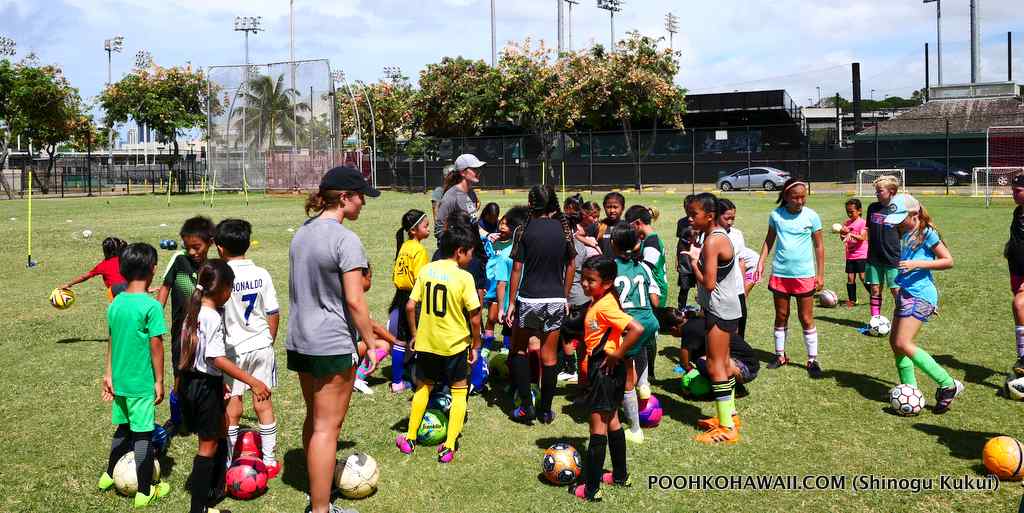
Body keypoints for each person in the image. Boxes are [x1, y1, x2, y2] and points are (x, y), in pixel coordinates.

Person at [286, 165, 380, 513]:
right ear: (344, 198)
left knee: (314, 418)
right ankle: (321, 509)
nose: (363, 205)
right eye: (360, 198)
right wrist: (371, 342)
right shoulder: (346, 240)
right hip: (331, 343)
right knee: (328, 427)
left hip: (300, 339)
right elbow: (356, 299)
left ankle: (317, 493)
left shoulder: (302, 232)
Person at [178, 260, 271, 513]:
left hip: (193, 382)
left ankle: (215, 489)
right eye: (230, 289)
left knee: (218, 434)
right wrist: (252, 380)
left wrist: (220, 384)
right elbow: (216, 358)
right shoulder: (212, 317)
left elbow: (194, 356)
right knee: (207, 448)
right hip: (204, 386)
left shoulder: (193, 311)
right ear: (224, 288)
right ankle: (199, 509)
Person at [396, 224, 482, 463]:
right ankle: (449, 445)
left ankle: (411, 437)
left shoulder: (427, 270)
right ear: (459, 251)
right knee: (458, 391)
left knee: (423, 388)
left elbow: (411, 305)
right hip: (454, 345)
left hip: (427, 343)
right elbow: (475, 316)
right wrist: (475, 345)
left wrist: (414, 334)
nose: (472, 257)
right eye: (471, 252)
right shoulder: (465, 277)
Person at [97, 243, 170, 508]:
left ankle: (107, 475)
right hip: (140, 382)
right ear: (153, 269)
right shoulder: (151, 306)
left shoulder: (116, 303)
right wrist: (159, 380)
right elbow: (156, 344)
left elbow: (111, 339)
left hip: (119, 380)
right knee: (143, 435)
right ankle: (145, 490)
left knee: (124, 428)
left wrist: (108, 374)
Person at [570, 255, 644, 502]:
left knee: (597, 428)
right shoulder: (601, 300)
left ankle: (591, 489)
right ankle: (621, 476)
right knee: (612, 420)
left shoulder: (606, 306)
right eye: (584, 279)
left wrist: (616, 356)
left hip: (605, 370)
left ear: (608, 282)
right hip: (606, 371)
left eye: (592, 280)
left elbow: (637, 329)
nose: (585, 284)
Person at [214, 219, 281, 477]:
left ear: (220, 248)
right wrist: (269, 339)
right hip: (262, 345)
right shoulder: (261, 273)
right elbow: (273, 311)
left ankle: (229, 461)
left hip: (232, 351)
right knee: (263, 402)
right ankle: (270, 460)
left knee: (233, 404)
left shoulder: (220, 275)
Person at [884, 193, 963, 412]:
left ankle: (947, 385)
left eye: (901, 218)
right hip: (906, 292)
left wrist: (916, 264)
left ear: (914, 214)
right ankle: (910, 390)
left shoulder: (926, 232)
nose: (897, 223)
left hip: (921, 294)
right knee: (896, 344)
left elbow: (948, 261)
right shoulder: (904, 230)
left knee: (903, 343)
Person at [506, 184, 576, 424]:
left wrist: (512, 302)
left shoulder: (523, 230)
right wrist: (565, 297)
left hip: (529, 298)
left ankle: (526, 406)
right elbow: (571, 266)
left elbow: (517, 268)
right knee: (549, 357)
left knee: (518, 350)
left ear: (530, 202)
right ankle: (546, 410)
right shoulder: (565, 230)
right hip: (555, 299)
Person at [685, 193, 745, 444]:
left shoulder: (712, 242)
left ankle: (727, 429)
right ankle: (728, 415)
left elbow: (708, 283)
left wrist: (693, 262)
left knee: (715, 365)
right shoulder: (715, 236)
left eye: (694, 214)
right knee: (721, 362)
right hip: (724, 307)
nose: (690, 218)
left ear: (709, 216)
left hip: (721, 308)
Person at [755, 178, 826, 379]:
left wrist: (820, 274)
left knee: (806, 318)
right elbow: (769, 240)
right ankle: (780, 355)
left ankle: (812, 359)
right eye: (795, 197)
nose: (800, 201)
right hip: (780, 274)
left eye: (803, 197)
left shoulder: (812, 216)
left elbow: (819, 246)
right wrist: (761, 261)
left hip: (804, 275)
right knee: (781, 315)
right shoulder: (776, 215)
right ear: (786, 196)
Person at [157, 216, 215, 434]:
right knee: (180, 372)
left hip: (206, 334)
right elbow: (164, 289)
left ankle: (202, 417)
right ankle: (177, 419)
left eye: (197, 247)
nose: (192, 252)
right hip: (180, 332)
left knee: (205, 374)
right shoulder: (178, 260)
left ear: (209, 242)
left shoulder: (213, 267)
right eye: (188, 247)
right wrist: (154, 319)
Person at [610, 222, 661, 444]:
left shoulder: (610, 268)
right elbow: (653, 296)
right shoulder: (644, 266)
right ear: (637, 243)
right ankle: (645, 387)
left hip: (631, 324)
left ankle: (635, 429)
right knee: (640, 352)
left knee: (625, 379)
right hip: (650, 321)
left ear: (613, 244)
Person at [657, 307, 759, 403]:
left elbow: (684, 363)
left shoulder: (689, 331)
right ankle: (728, 385)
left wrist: (693, 374)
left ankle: (730, 389)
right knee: (704, 360)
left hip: (746, 369)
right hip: (750, 364)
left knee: (703, 362)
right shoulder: (694, 320)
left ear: (673, 328)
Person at [389, 209, 431, 393]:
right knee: (418, 338)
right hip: (415, 297)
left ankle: (397, 381)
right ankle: (419, 379)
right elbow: (421, 278)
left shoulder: (404, 246)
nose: (428, 229)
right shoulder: (419, 250)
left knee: (400, 340)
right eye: (425, 226)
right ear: (414, 230)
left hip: (400, 295)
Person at [626, 204, 668, 384]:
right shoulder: (648, 240)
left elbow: (647, 269)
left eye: (630, 227)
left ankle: (648, 373)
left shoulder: (651, 242)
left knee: (648, 333)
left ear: (637, 223)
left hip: (654, 293)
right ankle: (644, 373)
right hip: (652, 291)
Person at [717, 198, 758, 338]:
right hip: (720, 290)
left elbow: (741, 261)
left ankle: (738, 357)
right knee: (722, 326)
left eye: (733, 218)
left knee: (741, 324)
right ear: (717, 215)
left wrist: (742, 288)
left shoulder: (737, 234)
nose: (730, 222)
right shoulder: (709, 235)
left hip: (737, 288)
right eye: (727, 218)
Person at [866, 175, 902, 322]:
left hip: (893, 257)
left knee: (896, 290)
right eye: (876, 191)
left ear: (891, 191)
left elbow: (903, 232)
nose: (877, 194)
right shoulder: (872, 208)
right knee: (875, 290)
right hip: (874, 257)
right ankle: (875, 320)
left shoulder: (899, 209)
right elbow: (867, 230)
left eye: (880, 191)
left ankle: (901, 320)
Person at [434, 154, 485, 239]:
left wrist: (488, 235)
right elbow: (439, 230)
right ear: (462, 172)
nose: (478, 171)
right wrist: (458, 243)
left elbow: (473, 223)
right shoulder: (451, 197)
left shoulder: (472, 193)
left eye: (479, 168)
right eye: (474, 169)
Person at [61, 236, 128, 301]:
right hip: (129, 287)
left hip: (115, 290)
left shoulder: (103, 265)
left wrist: (69, 284)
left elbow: (84, 277)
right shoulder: (124, 258)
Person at [1007, 175, 1024, 373]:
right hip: (1017, 271)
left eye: (1017, 191)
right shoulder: (1018, 212)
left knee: (1019, 305)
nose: (1013, 195)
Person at [840, 198, 869, 307]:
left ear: (859, 211)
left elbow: (862, 237)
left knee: (862, 277)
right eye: (847, 211)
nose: (849, 214)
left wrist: (850, 234)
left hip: (861, 254)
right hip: (850, 255)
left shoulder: (863, 223)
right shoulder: (846, 223)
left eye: (851, 211)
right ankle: (852, 300)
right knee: (850, 278)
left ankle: (874, 295)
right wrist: (842, 234)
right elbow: (843, 239)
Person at [676, 195, 697, 307]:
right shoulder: (681, 223)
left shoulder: (701, 223)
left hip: (698, 261)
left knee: (702, 288)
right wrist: (677, 260)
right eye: (687, 210)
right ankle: (681, 309)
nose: (689, 214)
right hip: (685, 262)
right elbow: (680, 243)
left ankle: (705, 310)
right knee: (684, 288)